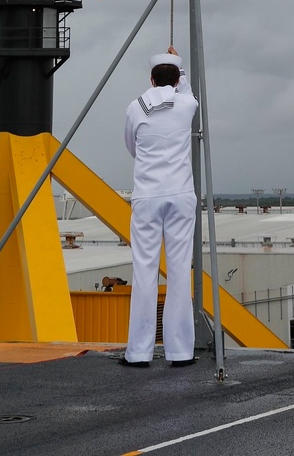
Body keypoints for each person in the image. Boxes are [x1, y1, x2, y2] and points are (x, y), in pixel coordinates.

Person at [121, 46, 199, 368]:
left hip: (148, 195)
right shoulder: (186, 105)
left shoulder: (135, 108)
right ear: (176, 78)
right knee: (180, 271)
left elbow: (131, 146)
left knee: (144, 272)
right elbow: (188, 91)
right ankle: (180, 351)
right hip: (181, 194)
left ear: (151, 78)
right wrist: (179, 68)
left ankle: (139, 352)